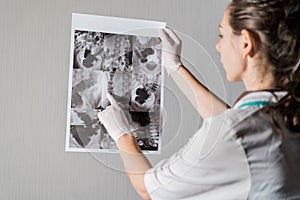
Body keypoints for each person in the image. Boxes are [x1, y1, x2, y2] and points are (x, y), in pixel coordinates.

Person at [97, 0, 300, 199]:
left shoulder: (237, 131)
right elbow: (235, 124)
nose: (218, 46)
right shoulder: (286, 109)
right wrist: (175, 68)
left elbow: (148, 189)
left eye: (222, 35)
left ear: (246, 42)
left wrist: (122, 135)